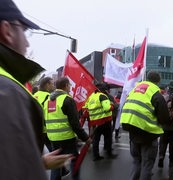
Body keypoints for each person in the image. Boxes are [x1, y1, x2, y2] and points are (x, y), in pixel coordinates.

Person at [0, 0, 72, 179]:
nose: (27, 43)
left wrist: (36, 162)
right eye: (24, 31)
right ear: (7, 30)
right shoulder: (8, 91)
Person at [120, 70, 169, 180]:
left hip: (132, 131)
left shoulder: (135, 90)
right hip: (148, 134)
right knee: (147, 165)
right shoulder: (156, 94)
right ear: (158, 81)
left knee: (136, 162)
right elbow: (164, 118)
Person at [44, 77, 91, 180]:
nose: (70, 87)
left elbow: (45, 120)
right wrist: (86, 138)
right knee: (74, 160)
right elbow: (75, 124)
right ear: (65, 85)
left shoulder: (47, 100)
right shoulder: (67, 99)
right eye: (69, 85)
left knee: (56, 163)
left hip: (52, 137)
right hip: (67, 138)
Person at [85, 82, 117, 161]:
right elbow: (107, 108)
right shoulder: (102, 96)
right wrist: (112, 105)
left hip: (94, 122)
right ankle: (109, 154)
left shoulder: (91, 97)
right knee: (108, 137)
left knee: (96, 139)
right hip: (105, 121)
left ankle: (96, 156)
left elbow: (86, 108)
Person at [158, 80, 173, 168]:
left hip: (164, 125)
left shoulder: (164, 97)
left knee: (163, 142)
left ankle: (161, 156)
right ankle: (172, 161)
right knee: (172, 144)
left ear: (169, 87)